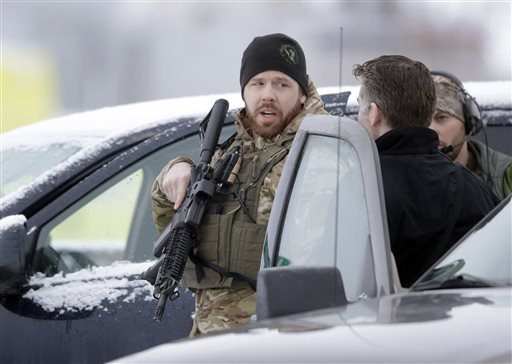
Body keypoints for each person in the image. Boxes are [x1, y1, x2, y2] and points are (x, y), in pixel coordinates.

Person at [151, 33, 328, 336]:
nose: (268, 94)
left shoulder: (321, 152)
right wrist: (175, 170)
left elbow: (317, 258)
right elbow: (172, 222)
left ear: (302, 93)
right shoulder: (230, 152)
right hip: (213, 334)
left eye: (281, 84)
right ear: (244, 92)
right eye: (257, 84)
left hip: (277, 338)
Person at [352, 55, 498, 287]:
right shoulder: (474, 186)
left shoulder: (358, 186)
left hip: (380, 322)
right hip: (470, 320)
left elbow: (339, 278)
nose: (357, 118)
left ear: (374, 113)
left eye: (360, 107)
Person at [430, 71, 512, 200]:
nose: (431, 130)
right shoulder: (398, 177)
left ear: (468, 120)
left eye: (441, 117)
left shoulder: (507, 175)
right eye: (421, 122)